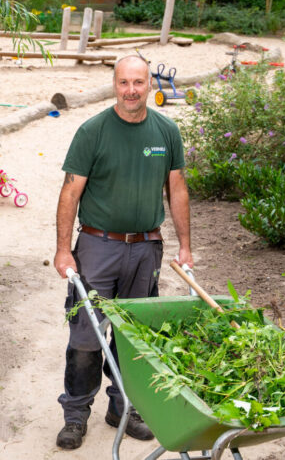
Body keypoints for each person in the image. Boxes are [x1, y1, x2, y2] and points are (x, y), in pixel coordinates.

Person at [52, 55, 193, 449]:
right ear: (114, 84)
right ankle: (76, 415)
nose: (131, 90)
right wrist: (64, 250)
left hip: (146, 247)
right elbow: (71, 192)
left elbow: (177, 188)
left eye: (138, 82)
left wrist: (185, 245)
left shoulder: (166, 131)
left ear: (151, 84)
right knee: (86, 336)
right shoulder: (93, 132)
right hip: (98, 245)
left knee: (135, 338)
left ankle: (124, 408)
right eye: (123, 82)